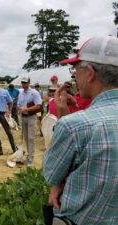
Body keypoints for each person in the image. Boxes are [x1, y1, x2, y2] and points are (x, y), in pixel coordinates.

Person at [44, 36, 118, 225]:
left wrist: (63, 117)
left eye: (75, 69)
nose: (74, 75)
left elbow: (52, 173)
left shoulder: (75, 125)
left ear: (90, 73)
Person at [17, 76, 42, 168]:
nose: (23, 84)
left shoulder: (34, 93)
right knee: (26, 138)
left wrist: (26, 108)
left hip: (31, 117)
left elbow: (39, 105)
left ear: (29, 83)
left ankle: (31, 159)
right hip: (23, 117)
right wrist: (19, 108)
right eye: (22, 83)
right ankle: (28, 155)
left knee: (31, 138)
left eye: (25, 82)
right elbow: (19, 104)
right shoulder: (21, 93)